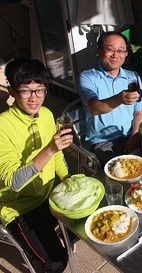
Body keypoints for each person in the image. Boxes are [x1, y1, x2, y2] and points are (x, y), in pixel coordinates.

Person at [0, 59, 74, 272]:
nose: (34, 98)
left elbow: (58, 156)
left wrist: (68, 179)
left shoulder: (47, 114)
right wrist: (49, 149)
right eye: (26, 91)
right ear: (12, 91)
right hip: (20, 208)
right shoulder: (3, 126)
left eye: (39, 90)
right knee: (56, 264)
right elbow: (14, 182)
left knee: (84, 228)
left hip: (48, 194)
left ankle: (56, 240)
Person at [78, 31, 142, 166]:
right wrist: (120, 98)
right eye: (110, 49)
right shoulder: (87, 77)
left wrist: (135, 136)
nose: (115, 55)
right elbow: (94, 108)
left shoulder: (132, 77)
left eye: (121, 51)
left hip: (132, 133)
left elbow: (139, 111)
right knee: (121, 174)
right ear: (99, 51)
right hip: (103, 142)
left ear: (126, 54)